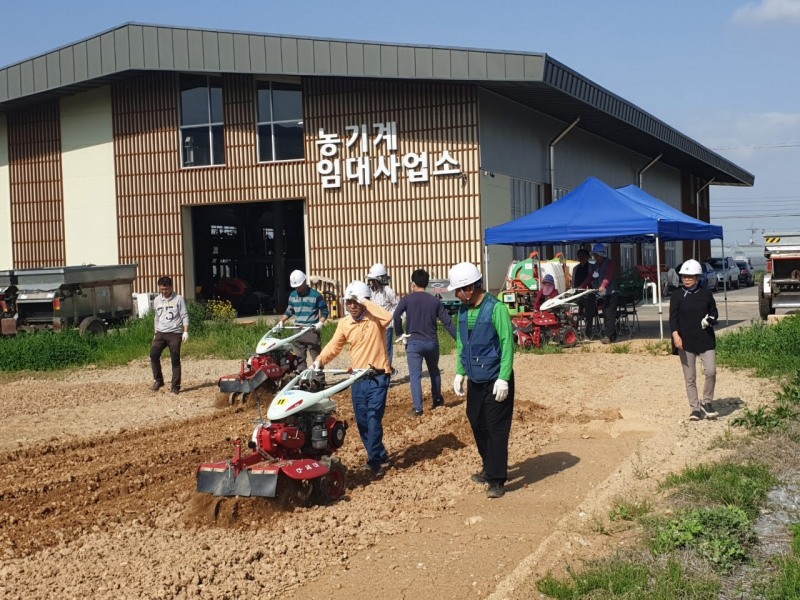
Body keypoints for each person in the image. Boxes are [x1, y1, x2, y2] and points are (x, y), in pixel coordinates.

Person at [313, 280, 393, 477]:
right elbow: (334, 346)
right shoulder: (344, 323)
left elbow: (389, 317)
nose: (352, 306)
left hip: (378, 377)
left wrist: (365, 301)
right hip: (357, 378)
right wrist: (320, 360)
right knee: (362, 421)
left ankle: (375, 461)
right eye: (349, 302)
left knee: (373, 419)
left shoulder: (375, 318)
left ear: (364, 302)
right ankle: (380, 455)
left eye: (355, 302)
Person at [449, 262, 515, 499]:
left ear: (470, 288)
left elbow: (507, 344)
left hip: (496, 378)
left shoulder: (496, 309)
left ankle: (496, 479)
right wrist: (460, 372)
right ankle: (488, 465)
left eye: (458, 290)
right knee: (476, 420)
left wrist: (504, 378)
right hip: (476, 378)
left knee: (497, 428)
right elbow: (462, 343)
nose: (456, 295)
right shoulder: (463, 311)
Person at [393, 269, 457, 417]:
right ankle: (437, 400)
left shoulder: (407, 300)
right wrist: (459, 341)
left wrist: (400, 333)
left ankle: (418, 409)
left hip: (414, 343)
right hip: (432, 343)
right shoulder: (435, 301)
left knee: (415, 376)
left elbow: (396, 316)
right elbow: (447, 322)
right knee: (434, 371)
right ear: (427, 284)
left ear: (413, 284)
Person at [669, 259, 719, 422]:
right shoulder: (677, 295)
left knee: (711, 371)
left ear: (697, 278)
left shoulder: (706, 294)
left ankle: (707, 402)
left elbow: (714, 312)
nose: (686, 279)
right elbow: (673, 318)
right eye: (684, 276)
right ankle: (695, 408)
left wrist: (710, 319)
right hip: (685, 340)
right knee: (690, 377)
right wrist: (675, 335)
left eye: (690, 276)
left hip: (706, 339)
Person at [276, 270, 328, 371]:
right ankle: (302, 378)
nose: (298, 288)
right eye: (295, 286)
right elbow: (289, 311)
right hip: (297, 330)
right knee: (299, 359)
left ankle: (319, 378)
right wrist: (281, 321)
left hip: (311, 330)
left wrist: (320, 322)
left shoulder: (316, 295)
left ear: (305, 281)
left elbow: (325, 311)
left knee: (317, 358)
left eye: (299, 285)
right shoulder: (292, 295)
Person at [150, 276, 189, 394]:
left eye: (166, 289)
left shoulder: (178, 299)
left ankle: (175, 386)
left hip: (175, 333)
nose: (164, 291)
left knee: (175, 359)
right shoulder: (157, 300)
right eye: (162, 289)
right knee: (153, 355)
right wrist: (155, 332)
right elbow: (156, 317)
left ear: (171, 287)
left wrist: (185, 331)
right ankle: (159, 380)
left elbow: (184, 315)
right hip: (160, 333)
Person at [581, 242, 619, 344]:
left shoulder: (609, 263)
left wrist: (603, 285)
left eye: (596, 255)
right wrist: (583, 286)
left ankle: (608, 336)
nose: (595, 257)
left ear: (601, 254)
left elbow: (608, 276)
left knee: (609, 314)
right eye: (594, 255)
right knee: (606, 315)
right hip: (603, 294)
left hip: (611, 293)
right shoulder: (596, 266)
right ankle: (612, 336)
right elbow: (590, 277)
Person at [367, 263, 398, 369]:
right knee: (374, 349)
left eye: (374, 280)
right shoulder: (369, 291)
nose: (372, 282)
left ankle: (387, 370)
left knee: (386, 350)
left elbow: (396, 306)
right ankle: (377, 369)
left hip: (387, 327)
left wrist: (390, 318)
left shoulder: (388, 291)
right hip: (373, 326)